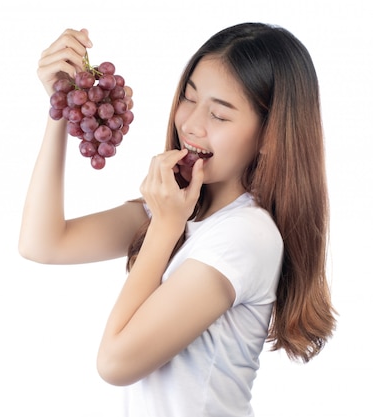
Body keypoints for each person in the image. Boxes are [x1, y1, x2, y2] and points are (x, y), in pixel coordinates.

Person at [18, 23, 336, 416]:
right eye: (189, 97)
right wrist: (60, 109)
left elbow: (116, 363)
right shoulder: (179, 207)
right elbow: (43, 243)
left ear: (269, 136)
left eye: (219, 115)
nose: (191, 124)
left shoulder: (246, 235)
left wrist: (166, 227)